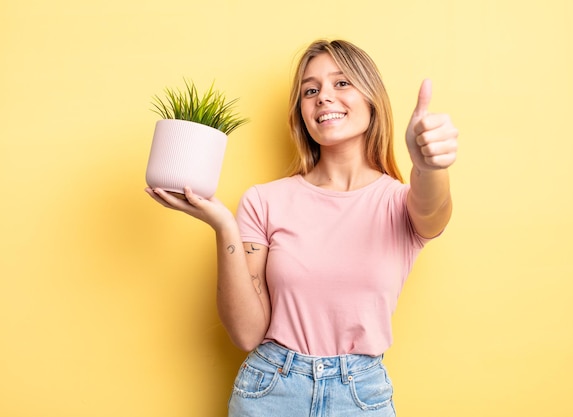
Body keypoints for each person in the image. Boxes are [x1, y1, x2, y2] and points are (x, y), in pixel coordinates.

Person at [146, 39, 458, 417]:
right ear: (301, 113)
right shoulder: (264, 201)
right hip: (270, 388)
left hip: (360, 396)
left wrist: (428, 164)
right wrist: (225, 228)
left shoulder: (400, 203)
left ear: (372, 99)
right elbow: (246, 333)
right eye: (311, 90)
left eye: (341, 83)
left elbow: (433, 207)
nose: (323, 97)